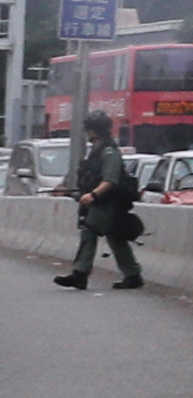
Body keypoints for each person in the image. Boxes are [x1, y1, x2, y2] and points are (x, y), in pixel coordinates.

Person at [55, 113, 143, 292]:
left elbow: (110, 181)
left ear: (94, 130)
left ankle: (80, 274)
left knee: (90, 231)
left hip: (107, 202)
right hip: (102, 202)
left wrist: (93, 195)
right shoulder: (97, 151)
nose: (88, 132)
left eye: (89, 128)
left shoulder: (109, 152)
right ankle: (133, 275)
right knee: (115, 236)